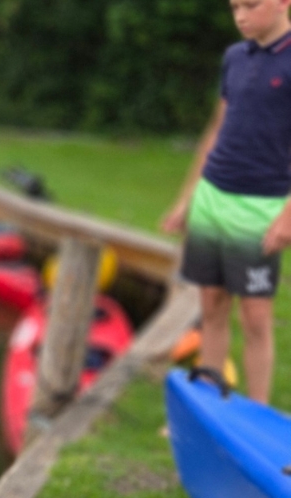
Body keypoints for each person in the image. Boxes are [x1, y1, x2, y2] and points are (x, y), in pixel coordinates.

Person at [161, 0, 291, 404]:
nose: (240, 15)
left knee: (255, 318)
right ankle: (207, 408)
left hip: (259, 207)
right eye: (235, 6)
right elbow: (217, 129)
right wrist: (188, 199)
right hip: (212, 198)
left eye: (251, 5)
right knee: (212, 307)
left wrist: (287, 216)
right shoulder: (234, 57)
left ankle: (258, 416)